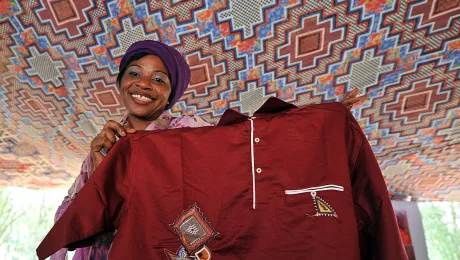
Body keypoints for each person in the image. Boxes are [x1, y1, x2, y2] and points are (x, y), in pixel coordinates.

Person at [51, 40, 362, 260]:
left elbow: (248, 144)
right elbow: (66, 226)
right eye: (134, 73)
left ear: (169, 94)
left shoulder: (190, 131)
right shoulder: (104, 147)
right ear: (120, 83)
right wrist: (98, 170)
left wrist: (317, 120)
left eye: (158, 79)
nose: (143, 84)